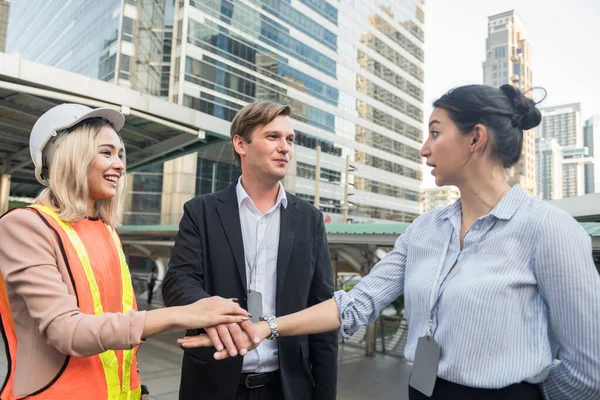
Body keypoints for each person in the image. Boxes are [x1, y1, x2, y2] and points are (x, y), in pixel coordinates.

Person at [179, 85, 600, 400]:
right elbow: (356, 302)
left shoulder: (550, 231)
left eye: (435, 133)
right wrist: (266, 327)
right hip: (421, 388)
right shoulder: (424, 230)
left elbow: (587, 372)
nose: (423, 149)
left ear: (476, 138)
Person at [0, 104, 251, 400]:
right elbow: (66, 331)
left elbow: (121, 324)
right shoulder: (25, 226)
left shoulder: (107, 231)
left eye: (120, 154)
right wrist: (181, 315)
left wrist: (138, 386)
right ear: (69, 157)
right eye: (106, 153)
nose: (119, 164)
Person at [162, 101, 338, 400]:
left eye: (290, 140)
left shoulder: (309, 219)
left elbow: (322, 308)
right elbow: (178, 282)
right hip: (213, 384)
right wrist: (214, 313)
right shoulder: (201, 211)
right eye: (273, 137)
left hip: (287, 388)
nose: (285, 148)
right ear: (241, 144)